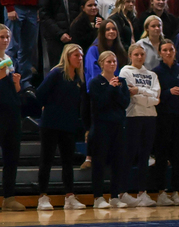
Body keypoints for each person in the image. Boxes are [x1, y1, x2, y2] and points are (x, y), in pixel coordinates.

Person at [36, 43, 87, 210]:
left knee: (68, 161)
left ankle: (69, 196)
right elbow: (40, 93)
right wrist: (48, 107)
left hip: (68, 125)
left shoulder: (79, 78)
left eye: (81, 56)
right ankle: (42, 196)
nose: (79, 58)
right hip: (51, 123)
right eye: (76, 56)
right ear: (67, 57)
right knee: (47, 160)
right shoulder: (57, 73)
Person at [87, 49, 129, 208]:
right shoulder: (95, 82)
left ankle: (115, 196)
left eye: (114, 61)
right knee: (99, 162)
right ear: (101, 64)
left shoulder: (122, 82)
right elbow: (99, 104)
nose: (112, 64)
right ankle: (98, 196)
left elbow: (124, 103)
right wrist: (110, 88)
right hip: (101, 126)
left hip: (118, 125)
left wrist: (116, 89)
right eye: (109, 61)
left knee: (118, 161)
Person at [119, 42, 158, 206]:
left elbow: (157, 98)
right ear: (130, 56)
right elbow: (129, 94)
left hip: (150, 116)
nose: (139, 57)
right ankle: (122, 192)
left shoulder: (152, 75)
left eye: (142, 54)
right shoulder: (125, 71)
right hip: (133, 116)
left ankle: (143, 192)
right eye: (136, 54)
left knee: (145, 155)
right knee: (129, 154)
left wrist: (141, 91)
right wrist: (148, 97)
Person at [152, 37, 179, 206]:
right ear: (160, 53)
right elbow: (155, 95)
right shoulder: (156, 72)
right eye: (165, 50)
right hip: (163, 117)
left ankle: (175, 191)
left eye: (171, 50)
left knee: (177, 155)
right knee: (162, 155)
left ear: (175, 51)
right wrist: (169, 92)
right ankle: (160, 192)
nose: (168, 52)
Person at [38, 0, 84, 74]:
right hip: (55, 37)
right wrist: (60, 33)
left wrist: (75, 31)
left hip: (74, 35)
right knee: (57, 69)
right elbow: (44, 15)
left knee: (76, 68)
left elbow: (82, 11)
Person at [0, 25, 23, 211]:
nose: (5, 40)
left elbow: (14, 91)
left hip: (12, 113)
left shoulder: (9, 59)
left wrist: (16, 83)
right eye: (1, 37)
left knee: (12, 156)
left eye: (7, 36)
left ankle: (9, 197)